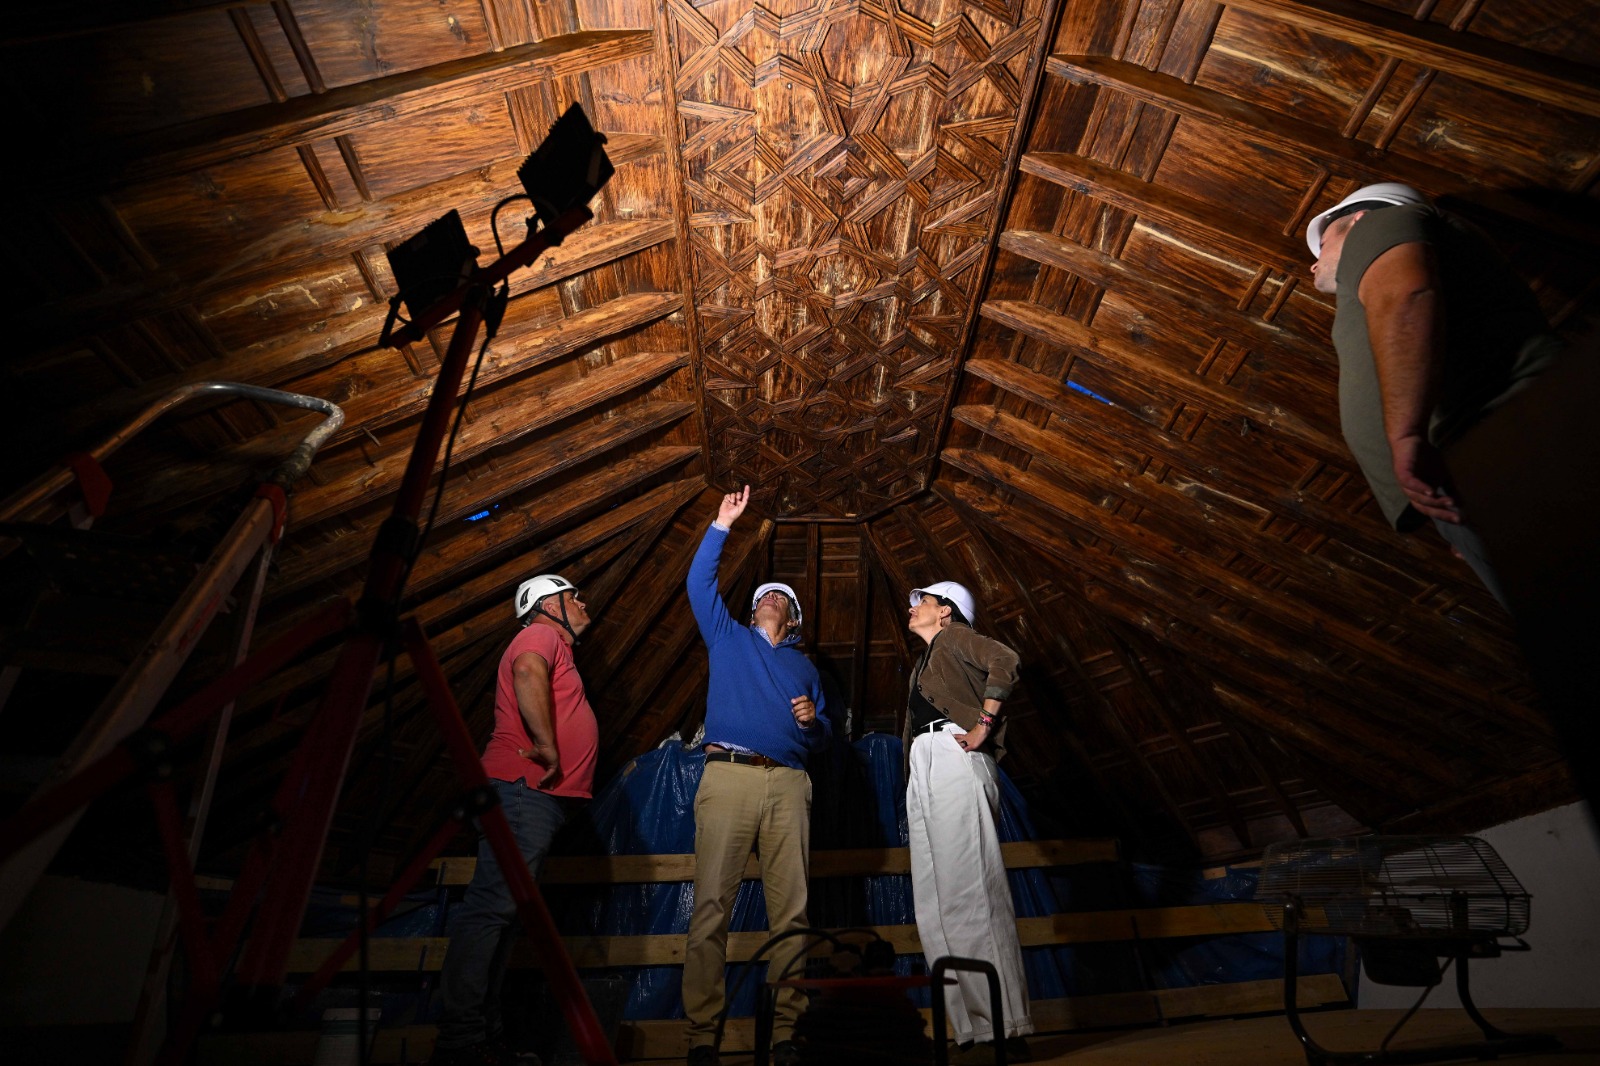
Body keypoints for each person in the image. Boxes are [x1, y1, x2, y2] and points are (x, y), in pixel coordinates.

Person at [1305, 182, 1561, 605]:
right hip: (1478, 471)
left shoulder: (1380, 223)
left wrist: (1406, 435)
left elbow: (1406, 295)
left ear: (1358, 218)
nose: (1314, 263)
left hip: (1500, 441)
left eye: (1324, 243)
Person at [682, 485, 831, 1066]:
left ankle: (787, 1030)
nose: (770, 597)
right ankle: (702, 1035)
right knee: (711, 907)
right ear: (751, 611)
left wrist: (814, 722)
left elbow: (823, 739)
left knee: (791, 911)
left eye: (780, 597)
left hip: (789, 783)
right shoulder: (728, 638)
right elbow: (699, 585)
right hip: (730, 776)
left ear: (792, 619)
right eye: (763, 594)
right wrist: (721, 526)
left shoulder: (805, 667)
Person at [431, 575, 598, 1066]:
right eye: (572, 596)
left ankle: (483, 1035)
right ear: (547, 605)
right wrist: (546, 744)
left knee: (504, 918)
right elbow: (527, 670)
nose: (582, 601)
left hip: (532, 798)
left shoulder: (555, 645)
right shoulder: (540, 634)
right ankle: (461, 1040)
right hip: (523, 790)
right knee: (492, 911)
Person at [901, 581, 1034, 1064]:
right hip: (925, 763)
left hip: (954, 752)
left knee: (971, 891)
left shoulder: (955, 637)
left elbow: (1006, 659)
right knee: (935, 902)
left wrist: (984, 724)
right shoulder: (923, 661)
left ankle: (1005, 1027)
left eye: (923, 601)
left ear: (946, 611)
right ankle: (971, 1029)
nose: (914, 608)